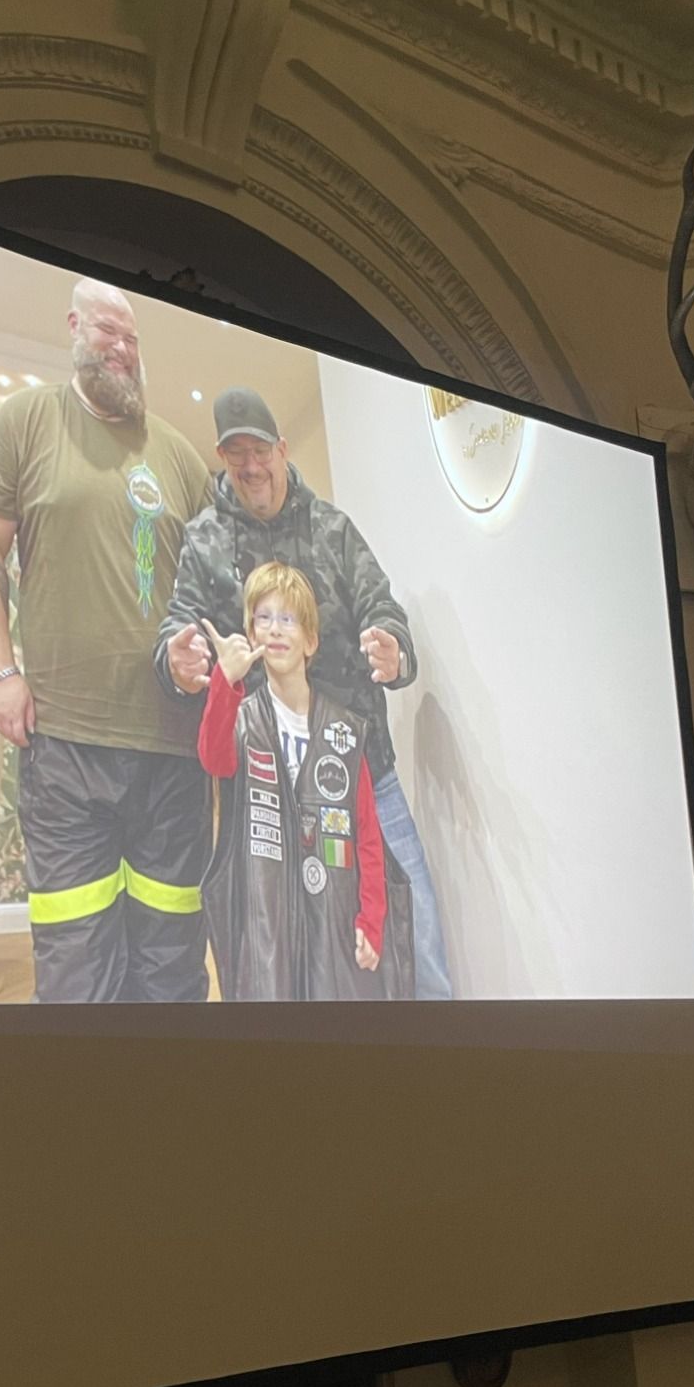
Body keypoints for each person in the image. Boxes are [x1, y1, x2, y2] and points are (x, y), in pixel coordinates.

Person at [0, 278, 213, 1004]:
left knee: (171, 960)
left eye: (132, 338)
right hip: (67, 745)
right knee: (78, 963)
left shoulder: (178, 455)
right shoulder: (27, 421)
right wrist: (2, 672)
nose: (122, 348)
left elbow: (215, 583)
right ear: (74, 327)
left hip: (172, 750)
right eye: (108, 330)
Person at [155, 386, 453, 1000]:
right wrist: (176, 660)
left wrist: (393, 650)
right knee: (285, 965)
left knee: (413, 935)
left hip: (362, 773)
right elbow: (179, 627)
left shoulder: (333, 530)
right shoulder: (204, 540)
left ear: (282, 450)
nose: (250, 466)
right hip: (267, 798)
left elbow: (381, 607)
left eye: (260, 450)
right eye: (236, 453)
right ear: (222, 457)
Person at [197, 561, 413, 1001]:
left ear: (311, 640)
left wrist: (371, 918)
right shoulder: (241, 720)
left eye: (288, 619)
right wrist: (224, 681)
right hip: (266, 933)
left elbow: (367, 835)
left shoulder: (344, 731)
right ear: (251, 634)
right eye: (263, 618)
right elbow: (213, 758)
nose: (275, 629)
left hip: (335, 933)